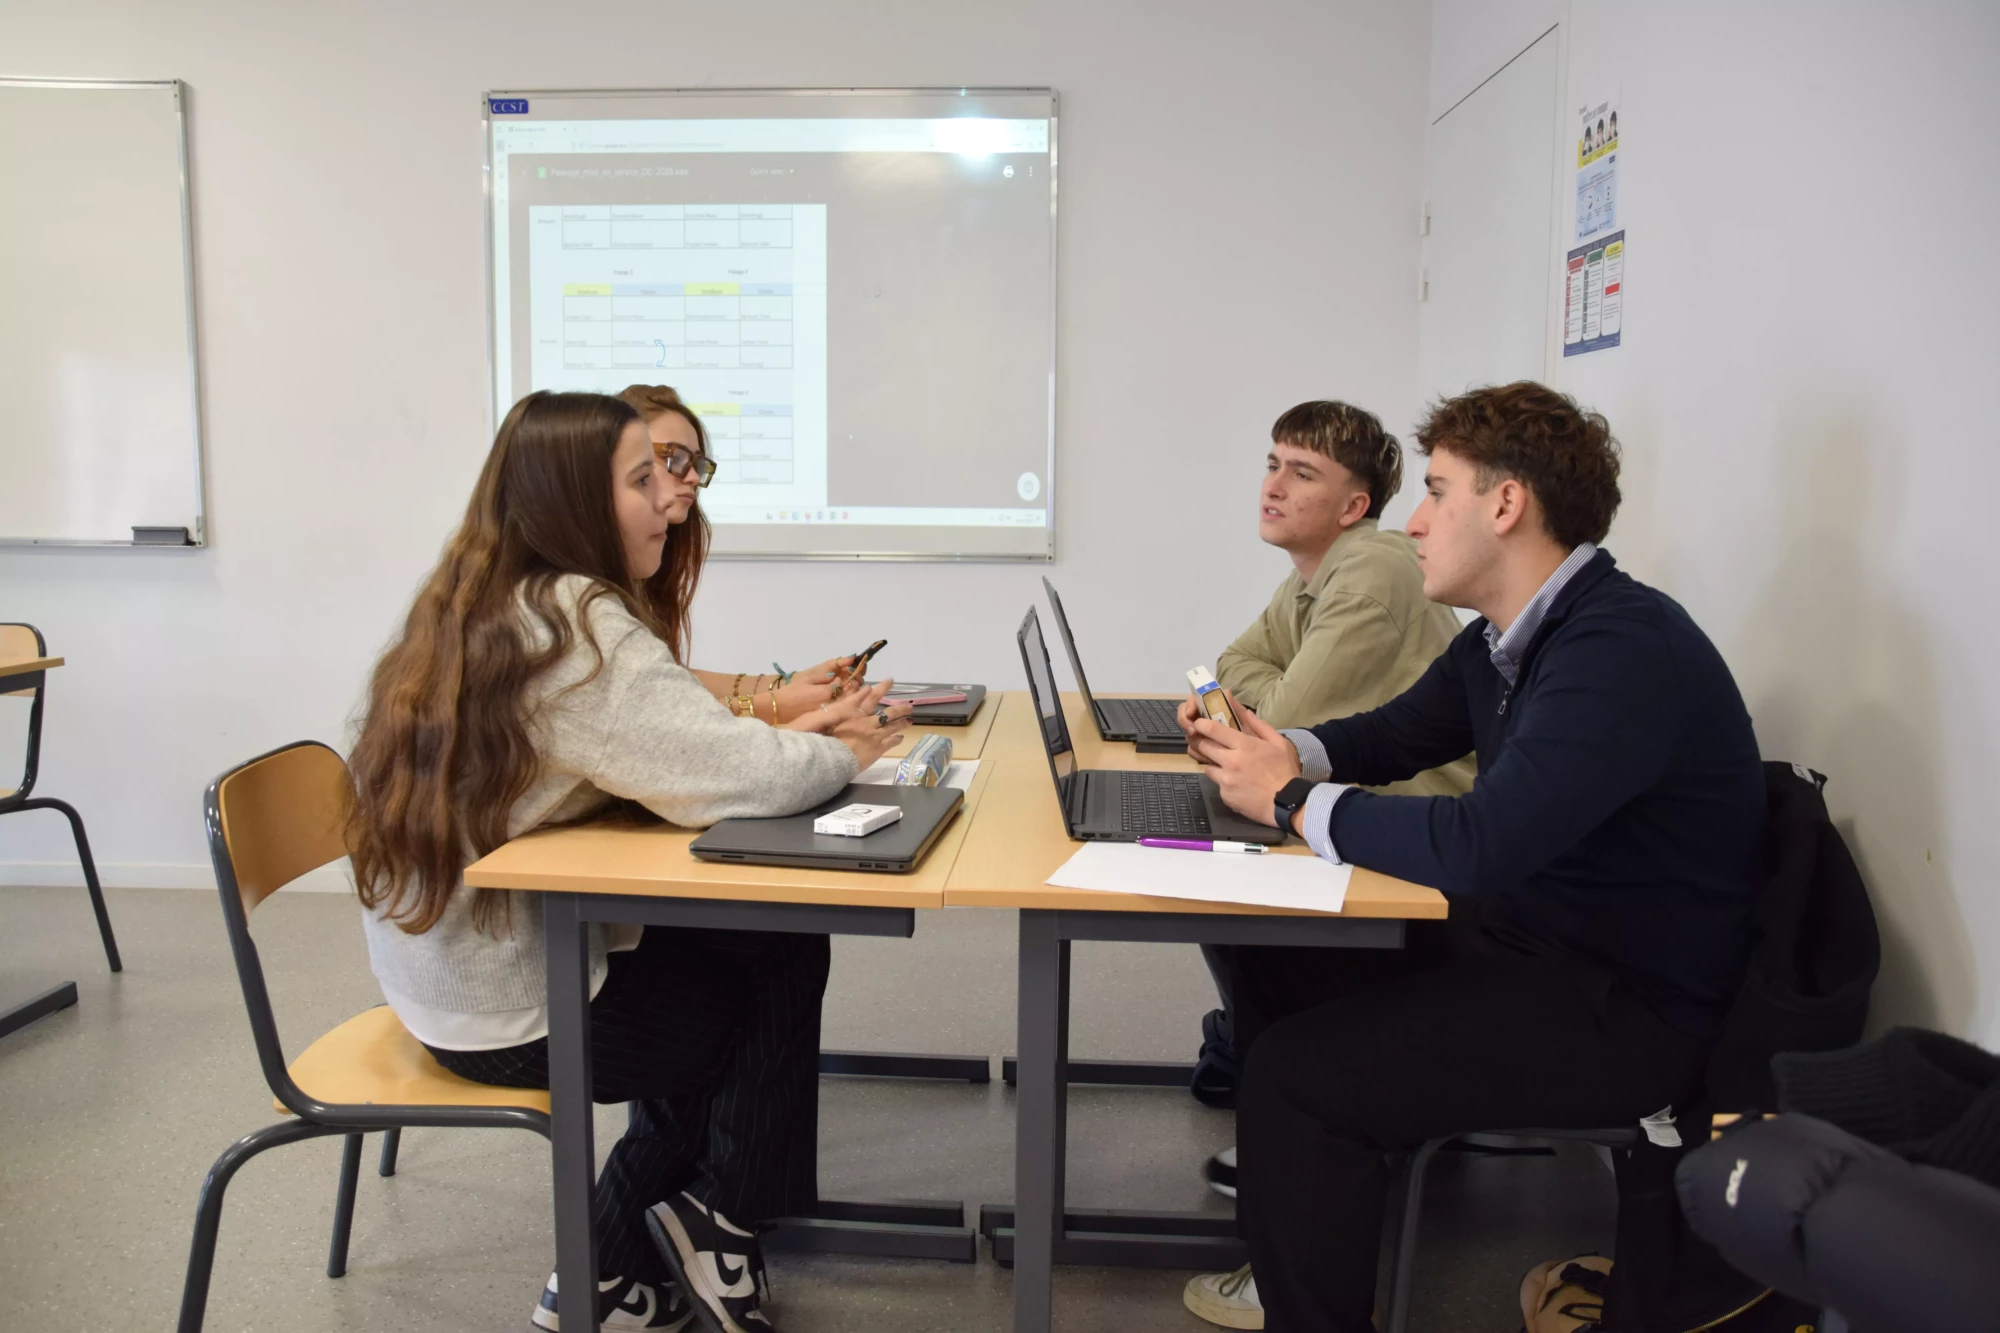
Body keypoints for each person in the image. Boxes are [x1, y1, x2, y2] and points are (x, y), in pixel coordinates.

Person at [1176, 381, 1765, 1332]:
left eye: (1436, 492)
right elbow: (1390, 735)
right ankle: (1321, 1213)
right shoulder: (1507, 638)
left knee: (1294, 1076)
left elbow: (1480, 843)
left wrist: (1287, 799)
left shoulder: (1617, 647)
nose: (1413, 523)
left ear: (1505, 505)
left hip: (1627, 1011)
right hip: (1537, 947)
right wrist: (1287, 752)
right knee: (1276, 947)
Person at [345, 391, 911, 1333]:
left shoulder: (481, 599)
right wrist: (849, 754)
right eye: (641, 478)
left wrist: (782, 742)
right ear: (576, 498)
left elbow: (662, 757)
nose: (669, 498)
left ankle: (624, 1262)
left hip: (435, 980)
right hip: (510, 1007)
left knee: (737, 946)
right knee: (761, 968)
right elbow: (729, 776)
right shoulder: (576, 622)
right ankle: (714, 1223)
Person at [1194, 400, 1473, 1185]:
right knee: (1225, 897)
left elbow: (1275, 723)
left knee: (1236, 898)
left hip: (1414, 844)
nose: (1273, 485)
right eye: (1272, 463)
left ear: (1354, 506)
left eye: (1302, 471)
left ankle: (1314, 1120)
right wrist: (1257, 694)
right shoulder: (1316, 573)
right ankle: (1274, 1086)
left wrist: (1256, 697)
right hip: (1372, 815)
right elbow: (1235, 662)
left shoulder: (1373, 567)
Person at [616, 383, 868, 725]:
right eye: (673, 458)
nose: (692, 476)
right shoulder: (581, 596)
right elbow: (653, 711)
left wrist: (788, 684)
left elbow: (670, 680)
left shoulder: (651, 565)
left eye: (698, 463)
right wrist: (775, 704)